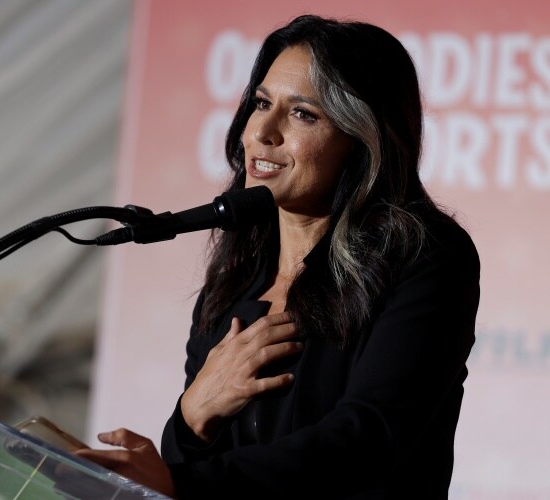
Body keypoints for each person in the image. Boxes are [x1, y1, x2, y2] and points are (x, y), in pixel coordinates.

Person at [76, 14, 480, 499]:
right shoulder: (234, 282)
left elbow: (369, 439)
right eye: (262, 103)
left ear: (362, 139)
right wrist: (191, 417)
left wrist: (184, 483)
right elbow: (188, 465)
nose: (262, 132)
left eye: (303, 114)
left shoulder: (426, 258)